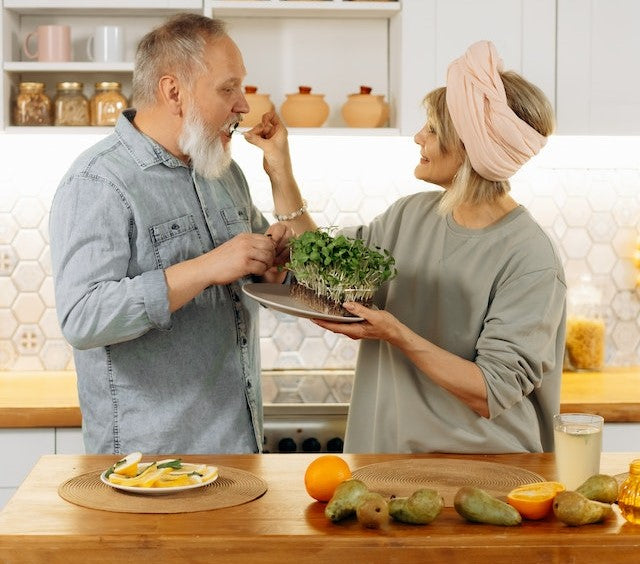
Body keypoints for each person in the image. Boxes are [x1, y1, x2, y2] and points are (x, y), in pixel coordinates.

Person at [247, 40, 566, 454]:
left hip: (482, 476)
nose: (419, 137)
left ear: (470, 147)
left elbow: (490, 391)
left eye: (432, 129)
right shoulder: (412, 215)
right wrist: (280, 169)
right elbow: (328, 269)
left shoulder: (530, 258)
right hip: (385, 459)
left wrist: (397, 333)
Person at [49, 13, 295, 455]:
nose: (243, 105)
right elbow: (82, 319)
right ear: (174, 92)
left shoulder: (223, 173)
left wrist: (269, 268)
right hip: (149, 467)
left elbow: (258, 271)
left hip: (238, 451)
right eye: (228, 88)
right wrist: (205, 268)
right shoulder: (97, 182)